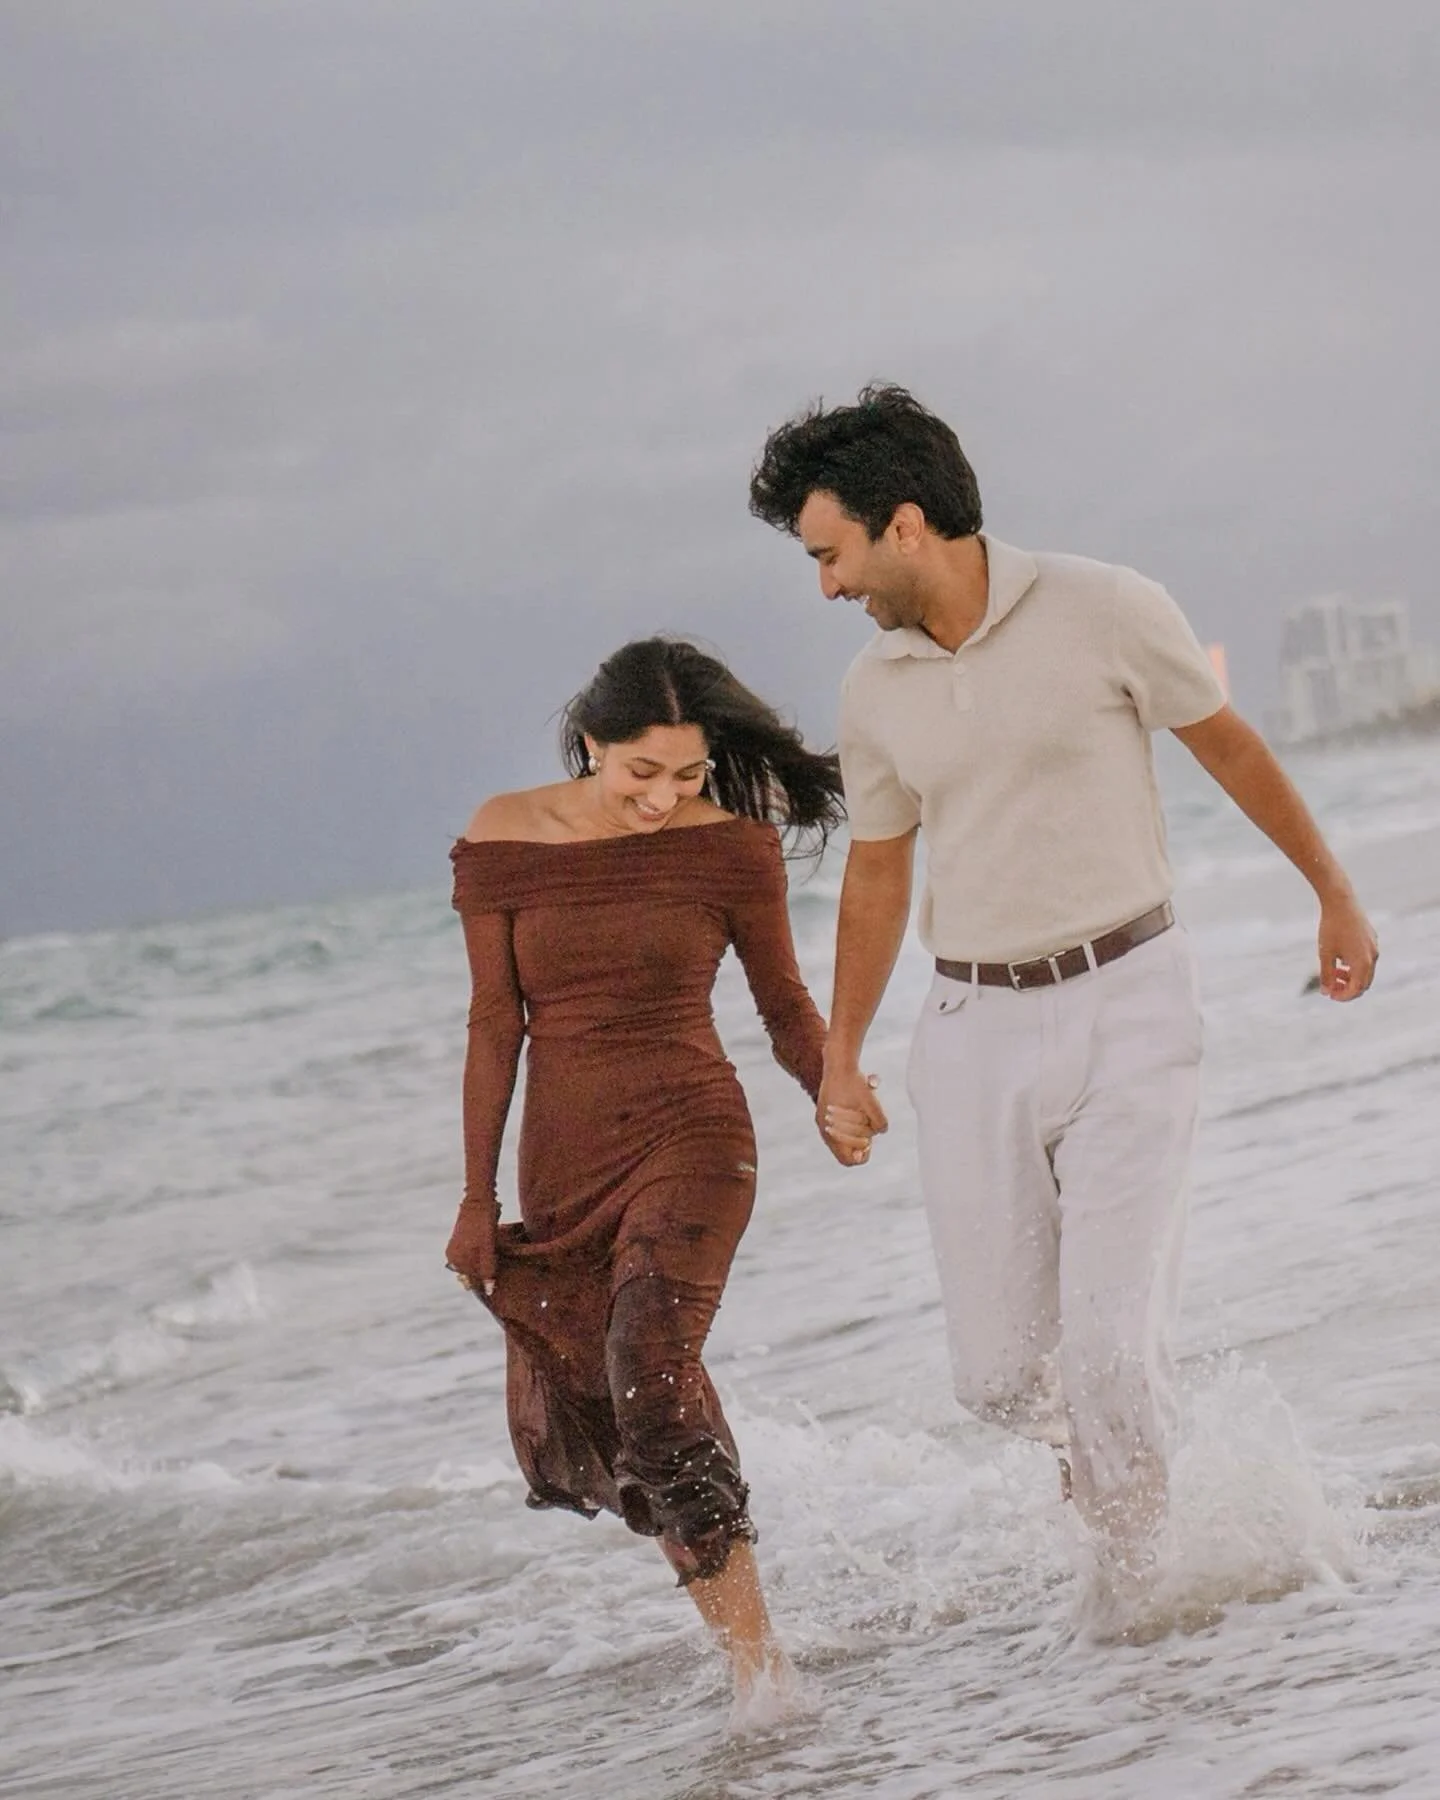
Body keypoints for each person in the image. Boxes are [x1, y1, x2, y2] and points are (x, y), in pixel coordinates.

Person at [749, 384, 1378, 1584]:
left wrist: (1331, 891)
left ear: (908, 523)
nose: (825, 587)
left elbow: (1229, 745)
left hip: (1129, 995)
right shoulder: (874, 690)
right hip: (971, 1024)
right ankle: (1128, 1491)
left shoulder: (1105, 606)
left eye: (830, 554)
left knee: (1104, 1359)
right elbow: (880, 876)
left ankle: (1137, 1616)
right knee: (998, 1378)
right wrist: (840, 1054)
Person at [443, 636, 870, 1709]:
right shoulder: (502, 837)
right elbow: (496, 1026)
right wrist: (473, 1198)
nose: (663, 798)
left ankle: (764, 1675)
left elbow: (782, 1009)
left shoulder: (732, 849)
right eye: (643, 773)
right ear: (592, 744)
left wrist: (835, 1087)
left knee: (649, 1361)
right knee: (647, 1412)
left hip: (694, 1138)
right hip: (562, 1168)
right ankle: (753, 1662)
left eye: (686, 776)